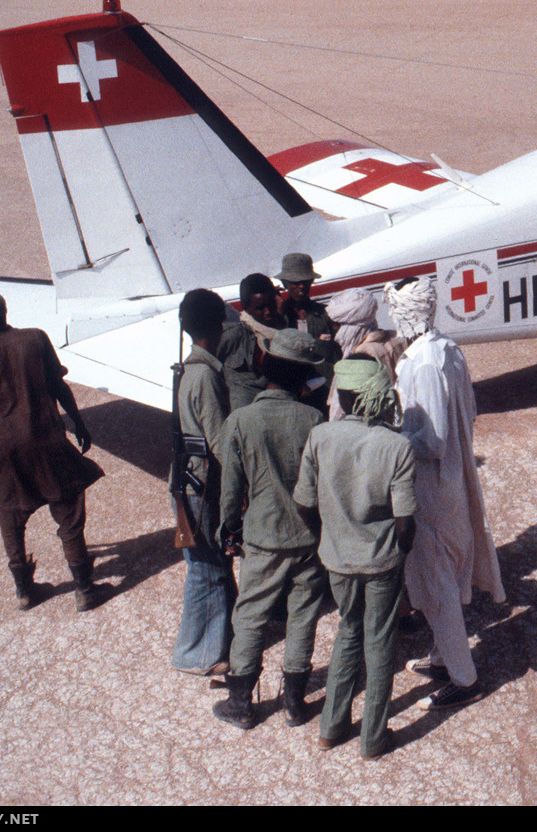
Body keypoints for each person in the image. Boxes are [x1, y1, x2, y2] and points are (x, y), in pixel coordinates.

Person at [387, 278, 506, 711]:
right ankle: (443, 656)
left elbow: (431, 441)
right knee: (448, 576)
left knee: (436, 582)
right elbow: (468, 414)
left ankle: (464, 677)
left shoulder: (423, 364)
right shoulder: (449, 350)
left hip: (432, 486)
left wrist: (389, 437)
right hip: (453, 480)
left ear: (405, 313)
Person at [294, 357, 417, 759]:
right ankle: (373, 738)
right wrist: (399, 556)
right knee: (380, 642)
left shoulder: (320, 437)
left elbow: (305, 503)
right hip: (381, 562)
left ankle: (331, 726)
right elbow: (404, 523)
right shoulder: (397, 446)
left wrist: (326, 538)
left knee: (349, 631)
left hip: (337, 560)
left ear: (343, 398)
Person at [0, 291, 105, 611]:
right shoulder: (36, 339)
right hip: (48, 440)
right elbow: (59, 385)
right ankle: (84, 590)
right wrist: (78, 423)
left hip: (6, 449)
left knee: (10, 514)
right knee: (68, 509)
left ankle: (24, 591)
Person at [213, 328, 326, 731]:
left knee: (250, 617)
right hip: (309, 536)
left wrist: (229, 527)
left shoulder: (240, 420)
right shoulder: (314, 419)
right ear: (303, 377)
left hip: (262, 536)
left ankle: (241, 703)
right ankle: (295, 704)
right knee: (304, 615)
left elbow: (231, 489)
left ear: (264, 364)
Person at [171, 289, 237, 676]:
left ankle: (216, 639)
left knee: (207, 564)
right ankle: (198, 654)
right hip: (200, 485)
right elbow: (220, 443)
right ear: (217, 327)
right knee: (207, 567)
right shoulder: (205, 376)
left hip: (187, 482)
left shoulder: (187, 369)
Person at [324, 287, 400, 420]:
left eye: (337, 325)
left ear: (351, 325)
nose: (334, 330)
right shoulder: (391, 339)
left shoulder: (367, 352)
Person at [276, 252, 340, 410]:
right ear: (284, 284)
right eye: (295, 282)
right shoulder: (280, 318)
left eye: (305, 281)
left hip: (326, 393)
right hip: (293, 394)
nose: (301, 286)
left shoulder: (326, 315)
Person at [218, 273, 289, 411]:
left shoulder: (286, 329)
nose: (268, 312)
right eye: (260, 308)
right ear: (245, 308)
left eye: (271, 304)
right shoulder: (234, 335)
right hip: (246, 411)